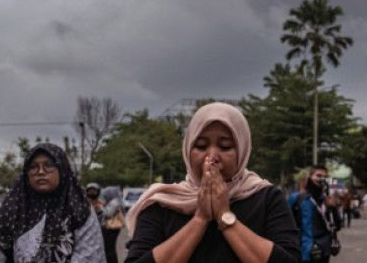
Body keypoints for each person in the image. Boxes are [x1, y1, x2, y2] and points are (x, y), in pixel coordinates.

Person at [125, 102, 300, 263]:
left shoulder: (266, 198)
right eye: (201, 146)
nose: (212, 157)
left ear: (242, 150)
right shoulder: (163, 203)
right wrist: (200, 219)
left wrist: (224, 216)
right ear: (187, 149)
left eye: (225, 147)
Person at [0, 143, 105, 263]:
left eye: (49, 165)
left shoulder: (79, 209)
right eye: (33, 166)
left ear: (62, 169)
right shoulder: (11, 208)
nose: (41, 171)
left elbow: (90, 255)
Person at [288, 166, 333, 263]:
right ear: (310, 176)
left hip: (323, 251)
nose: (321, 179)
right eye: (318, 175)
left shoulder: (326, 200)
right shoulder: (296, 198)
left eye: (324, 177)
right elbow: (286, 223)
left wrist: (332, 208)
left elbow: (336, 225)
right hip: (304, 251)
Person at [100, 186, 123, 263]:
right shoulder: (115, 201)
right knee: (109, 248)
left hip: (110, 228)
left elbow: (108, 214)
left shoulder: (114, 202)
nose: (105, 196)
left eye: (106, 194)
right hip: (111, 228)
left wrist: (100, 207)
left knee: (109, 249)